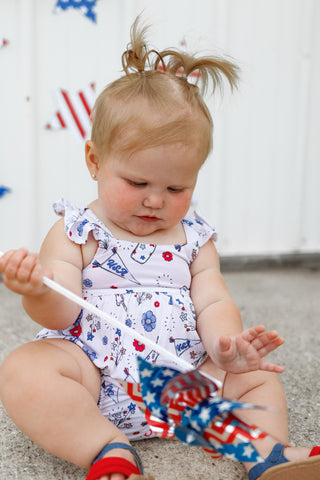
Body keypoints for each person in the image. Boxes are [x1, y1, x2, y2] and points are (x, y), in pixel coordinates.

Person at [0, 17, 319, 480]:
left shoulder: (194, 238)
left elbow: (213, 300)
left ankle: (263, 452)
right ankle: (107, 449)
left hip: (187, 381)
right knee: (25, 371)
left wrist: (225, 348)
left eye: (176, 187)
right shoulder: (79, 230)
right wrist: (35, 289)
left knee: (258, 375)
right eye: (137, 182)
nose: (155, 199)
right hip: (96, 379)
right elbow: (61, 313)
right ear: (95, 161)